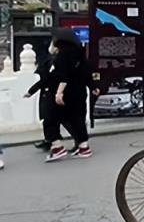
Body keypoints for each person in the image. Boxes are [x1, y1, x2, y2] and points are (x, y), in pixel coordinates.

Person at [45, 29, 97, 162]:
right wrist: (93, 87)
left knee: (50, 119)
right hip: (79, 92)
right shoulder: (80, 55)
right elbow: (87, 73)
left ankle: (57, 147)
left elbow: (63, 75)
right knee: (77, 119)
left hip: (65, 93)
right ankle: (84, 147)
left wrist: (59, 92)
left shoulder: (63, 55)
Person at [27, 51, 61, 150]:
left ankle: (57, 143)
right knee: (48, 119)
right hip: (48, 93)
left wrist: (31, 91)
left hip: (52, 93)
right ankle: (49, 140)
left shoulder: (55, 61)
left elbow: (46, 79)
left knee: (53, 119)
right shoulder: (49, 59)